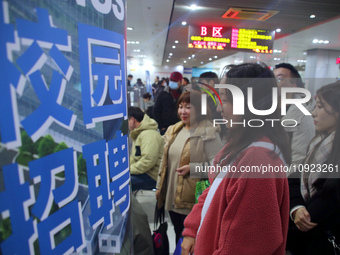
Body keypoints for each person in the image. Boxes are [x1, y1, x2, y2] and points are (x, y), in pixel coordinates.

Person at [181, 63, 291, 255]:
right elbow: (214, 189)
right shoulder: (243, 143)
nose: (220, 109)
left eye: (226, 101)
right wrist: (192, 229)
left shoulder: (257, 159)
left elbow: (246, 244)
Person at [156, 91, 223, 245]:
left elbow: (219, 167)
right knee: (177, 231)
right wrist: (159, 186)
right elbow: (164, 161)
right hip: (171, 193)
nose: (182, 111)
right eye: (180, 107)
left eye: (188, 107)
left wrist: (193, 168)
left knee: (191, 237)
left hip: (192, 196)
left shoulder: (208, 131)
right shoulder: (174, 129)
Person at [287, 81, 340, 255]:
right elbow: (294, 178)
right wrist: (296, 209)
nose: (313, 113)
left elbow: (316, 216)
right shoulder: (320, 143)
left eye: (320, 107)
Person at [274, 63, 315, 166]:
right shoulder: (265, 110)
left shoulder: (302, 117)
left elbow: (298, 161)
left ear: (294, 85)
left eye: (280, 78)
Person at [128, 107, 163, 191]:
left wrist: (129, 170)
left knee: (124, 184)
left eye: (127, 121)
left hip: (153, 175)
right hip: (147, 172)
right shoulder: (139, 133)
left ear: (132, 120)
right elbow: (135, 157)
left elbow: (148, 161)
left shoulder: (149, 134)